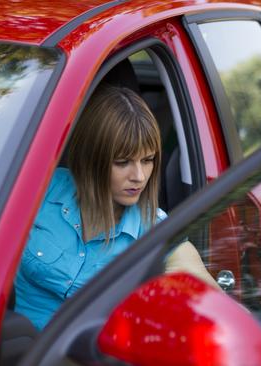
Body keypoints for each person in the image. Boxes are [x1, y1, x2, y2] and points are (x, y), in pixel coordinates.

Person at [14, 84, 215, 330]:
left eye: (148, 160)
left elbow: (211, 305)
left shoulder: (156, 231)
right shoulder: (40, 190)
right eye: (123, 162)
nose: (140, 176)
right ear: (91, 159)